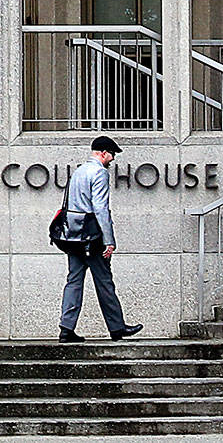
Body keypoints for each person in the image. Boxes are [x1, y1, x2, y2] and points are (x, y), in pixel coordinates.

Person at [56, 134, 144, 342]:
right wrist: (109, 240)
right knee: (104, 281)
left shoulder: (78, 172)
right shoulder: (99, 173)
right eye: (112, 154)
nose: (112, 159)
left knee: (74, 281)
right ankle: (117, 327)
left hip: (73, 237)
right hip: (92, 238)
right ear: (103, 153)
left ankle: (66, 328)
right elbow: (101, 209)